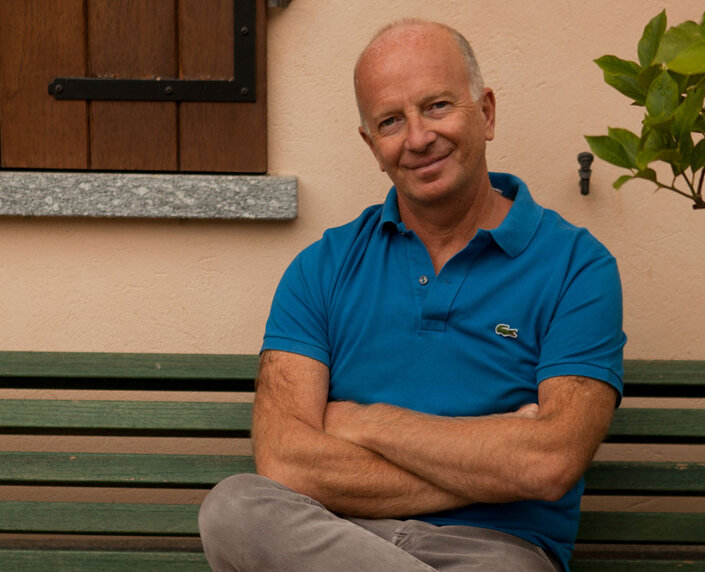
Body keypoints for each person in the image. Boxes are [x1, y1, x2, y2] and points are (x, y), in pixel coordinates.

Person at [198, 19, 625, 572]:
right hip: (334, 541)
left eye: (438, 106)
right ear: (371, 144)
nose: (418, 137)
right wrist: (492, 465)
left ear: (487, 113)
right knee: (236, 507)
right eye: (391, 121)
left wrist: (361, 421)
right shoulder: (320, 269)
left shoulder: (577, 268)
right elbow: (285, 460)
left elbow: (548, 463)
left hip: (495, 555)